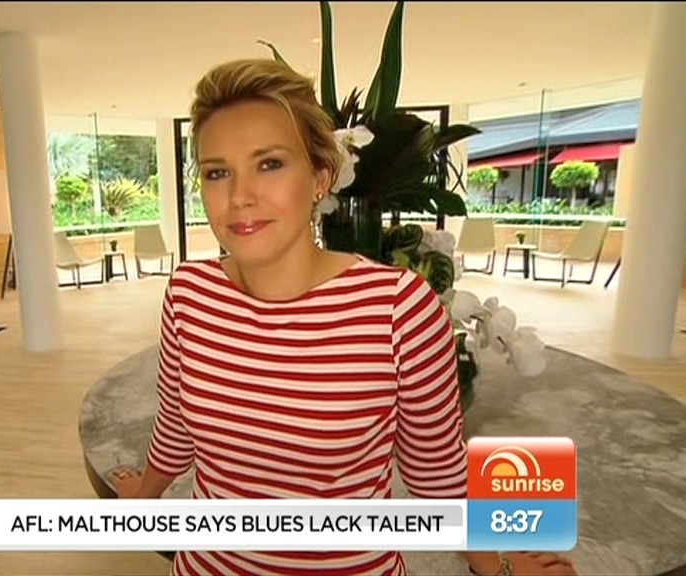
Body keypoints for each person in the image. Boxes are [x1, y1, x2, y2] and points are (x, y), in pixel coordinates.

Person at [109, 58, 577, 576]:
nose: (240, 197)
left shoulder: (398, 308)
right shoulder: (190, 293)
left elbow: (436, 475)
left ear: (320, 178)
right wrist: (143, 500)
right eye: (218, 172)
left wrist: (499, 567)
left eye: (269, 164)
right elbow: (177, 426)